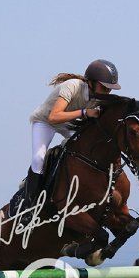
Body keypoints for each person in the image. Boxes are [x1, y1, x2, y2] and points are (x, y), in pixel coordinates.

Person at [22, 59, 122, 220]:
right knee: (38, 158)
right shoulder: (73, 86)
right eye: (104, 87)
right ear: (91, 82)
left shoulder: (99, 98)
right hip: (46, 121)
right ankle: (29, 206)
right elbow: (54, 117)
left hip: (69, 124)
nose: (107, 92)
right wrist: (85, 113)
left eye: (109, 88)